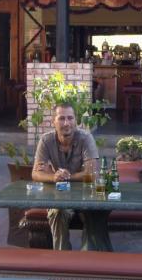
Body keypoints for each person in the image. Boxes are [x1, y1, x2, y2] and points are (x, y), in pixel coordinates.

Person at [32, 102, 99, 250]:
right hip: (60, 195)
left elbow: (93, 174)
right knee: (57, 211)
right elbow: (35, 173)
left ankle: (89, 257)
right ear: (53, 121)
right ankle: (62, 257)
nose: (66, 123)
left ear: (76, 120)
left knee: (94, 212)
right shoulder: (46, 140)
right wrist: (53, 177)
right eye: (61, 118)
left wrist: (65, 177)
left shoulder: (86, 138)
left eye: (70, 118)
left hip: (84, 194)